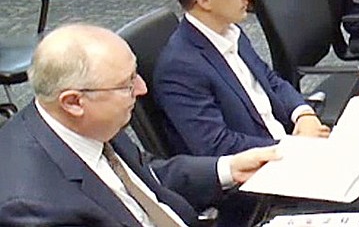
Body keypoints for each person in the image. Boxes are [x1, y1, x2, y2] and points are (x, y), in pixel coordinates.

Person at [0, 24, 278, 226]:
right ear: (73, 102)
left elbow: (143, 174)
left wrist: (228, 168)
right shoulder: (31, 208)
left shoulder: (86, 124)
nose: (142, 89)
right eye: (127, 84)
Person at [155, 0, 330, 158]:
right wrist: (293, 147)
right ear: (204, 1)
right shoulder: (180, 68)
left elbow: (269, 79)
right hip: (258, 169)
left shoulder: (230, 31)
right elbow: (216, 146)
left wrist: (304, 114)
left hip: (286, 142)